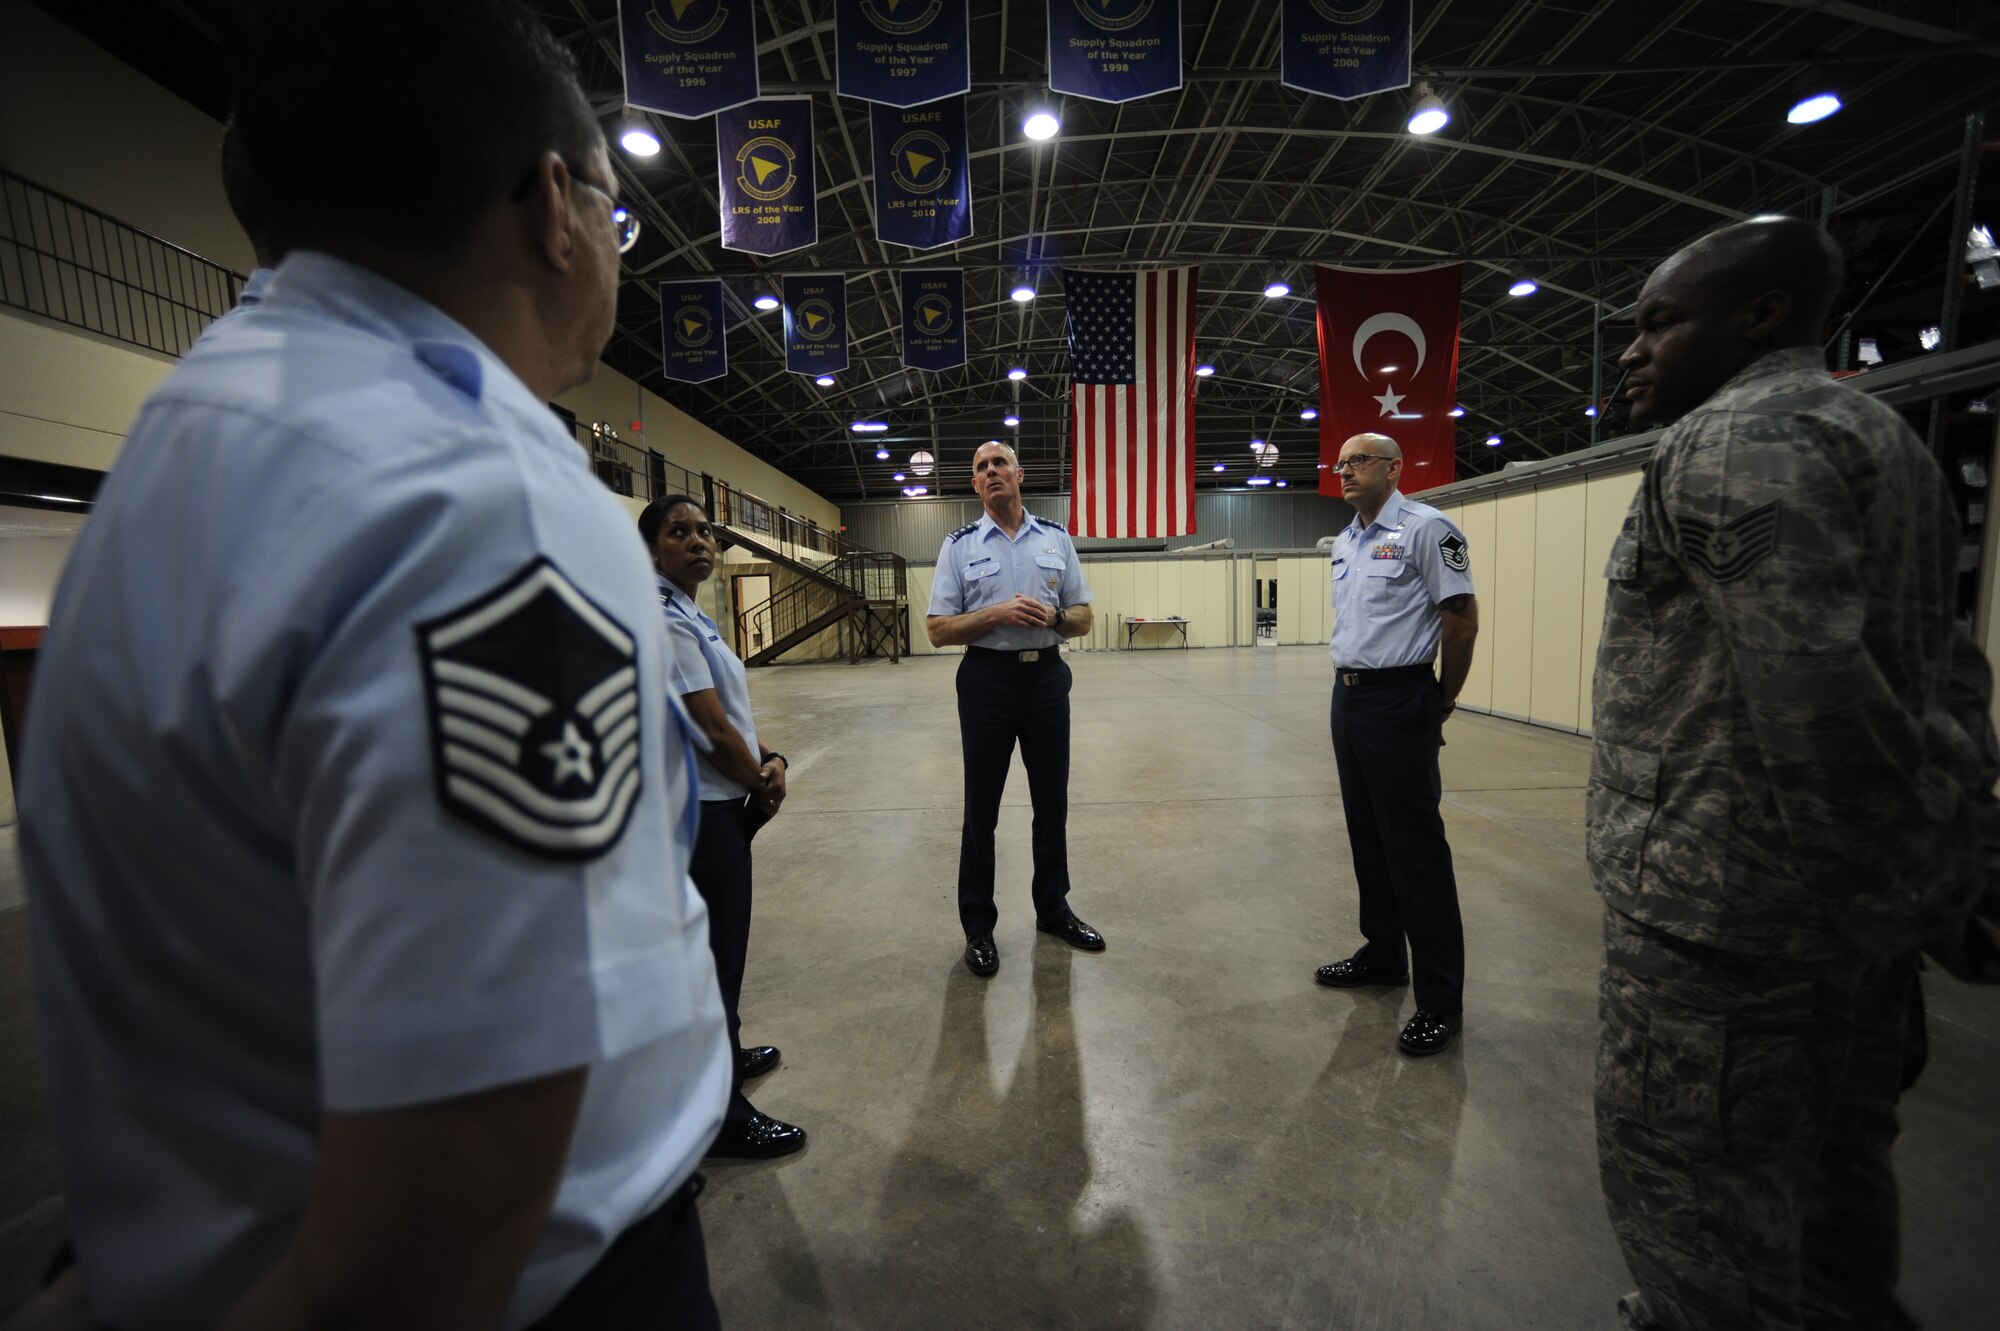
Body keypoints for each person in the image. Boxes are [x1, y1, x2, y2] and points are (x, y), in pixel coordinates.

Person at [16, 3, 734, 1328]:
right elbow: (454, 1200)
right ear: (552, 207)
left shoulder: (193, 436)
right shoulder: (476, 497)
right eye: (617, 221)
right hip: (558, 1288)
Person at [1589, 214, 1980, 1331]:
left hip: (1731, 922)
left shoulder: (1727, 444)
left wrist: (1883, 886)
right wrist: (1938, 872)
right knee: (1831, 1173)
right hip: (1848, 925)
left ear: (1759, 313)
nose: (1630, 349)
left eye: (1658, 321)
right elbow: (1948, 669)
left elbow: (1812, 698)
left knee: (1697, 1199)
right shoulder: (1882, 437)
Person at [641, 494, 808, 1160]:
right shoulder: (663, 618)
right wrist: (756, 780)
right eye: (679, 531)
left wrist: (769, 757)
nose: (698, 540)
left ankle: (724, 1057)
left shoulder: (690, 614)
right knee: (714, 960)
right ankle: (721, 1114)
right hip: (698, 813)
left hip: (719, 799)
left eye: (705, 530)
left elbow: (729, 719)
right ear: (653, 549)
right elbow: (709, 731)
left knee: (721, 953)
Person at [1313, 432, 1479, 1057]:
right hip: (1349, 697)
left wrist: (1443, 699)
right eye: (1341, 462)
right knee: (1368, 837)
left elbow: (1461, 617)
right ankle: (1383, 954)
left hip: (1400, 696)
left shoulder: (1427, 529)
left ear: (1394, 467)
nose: (1345, 470)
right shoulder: (1349, 539)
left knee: (1415, 851)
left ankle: (1441, 999)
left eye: (1358, 461)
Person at [926, 441, 1102, 977]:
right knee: (981, 809)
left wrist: (1050, 616)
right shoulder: (958, 546)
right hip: (986, 683)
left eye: (999, 463)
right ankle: (978, 926)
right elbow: (937, 630)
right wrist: (995, 612)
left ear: (1019, 473)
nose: (990, 472)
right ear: (976, 486)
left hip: (1047, 679)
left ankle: (1053, 908)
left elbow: (1084, 617)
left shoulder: (1055, 539)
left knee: (1052, 804)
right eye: (980, 468)